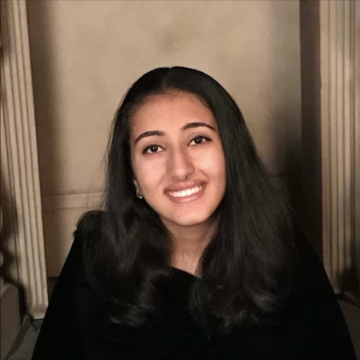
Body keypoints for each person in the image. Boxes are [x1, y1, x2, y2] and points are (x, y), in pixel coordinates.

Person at [32, 67, 357, 360]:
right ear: (133, 177)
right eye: (153, 148)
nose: (180, 168)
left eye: (198, 139)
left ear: (232, 153)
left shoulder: (283, 248)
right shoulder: (95, 254)